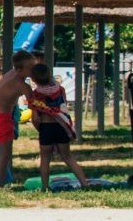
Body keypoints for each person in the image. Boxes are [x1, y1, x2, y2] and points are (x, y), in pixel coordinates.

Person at [26, 63, 89, 191]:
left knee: (45, 159)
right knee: (68, 157)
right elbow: (63, 108)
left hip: (46, 127)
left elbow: (35, 118)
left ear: (33, 79)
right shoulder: (60, 90)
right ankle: (84, 184)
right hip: (61, 127)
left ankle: (45, 187)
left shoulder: (36, 95)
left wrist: (39, 129)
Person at [0, 50, 36, 188]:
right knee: (4, 155)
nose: (33, 71)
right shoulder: (22, 85)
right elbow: (35, 105)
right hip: (0, 118)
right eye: (30, 68)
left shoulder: (9, 74)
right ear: (19, 69)